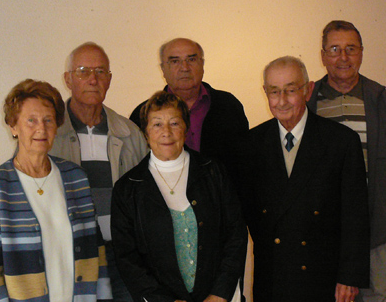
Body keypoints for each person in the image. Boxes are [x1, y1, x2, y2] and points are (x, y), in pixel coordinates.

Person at [242, 56, 369, 302]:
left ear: (308, 90)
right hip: (273, 277)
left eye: (291, 90)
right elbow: (249, 214)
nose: (282, 100)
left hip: (324, 277)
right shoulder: (251, 144)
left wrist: (349, 277)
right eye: (274, 91)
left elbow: (355, 217)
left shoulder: (341, 142)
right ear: (265, 93)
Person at [0, 79, 112, 302]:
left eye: (48, 120)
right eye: (31, 120)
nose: (41, 128)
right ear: (13, 126)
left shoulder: (76, 177)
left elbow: (96, 250)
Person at [111, 91, 248, 302]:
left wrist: (220, 294)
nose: (166, 132)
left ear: (186, 128)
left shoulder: (213, 173)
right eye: (157, 124)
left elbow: (235, 235)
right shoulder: (127, 189)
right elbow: (127, 257)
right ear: (145, 133)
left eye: (174, 123)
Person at [49, 42, 148, 301]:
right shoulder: (49, 134)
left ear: (110, 80)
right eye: (83, 71)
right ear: (68, 79)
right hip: (73, 257)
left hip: (123, 256)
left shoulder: (130, 133)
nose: (93, 79)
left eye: (101, 71)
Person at [307, 20, 386, 302]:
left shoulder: (382, 102)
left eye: (351, 49)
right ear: (322, 56)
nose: (343, 57)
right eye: (334, 49)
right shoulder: (307, 103)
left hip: (378, 235)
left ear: (362, 53)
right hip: (323, 235)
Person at [129, 38, 248, 182]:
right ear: (163, 70)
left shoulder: (228, 106)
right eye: (174, 61)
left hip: (222, 199)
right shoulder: (143, 114)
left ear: (202, 64)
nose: (184, 68)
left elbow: (243, 162)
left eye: (191, 60)